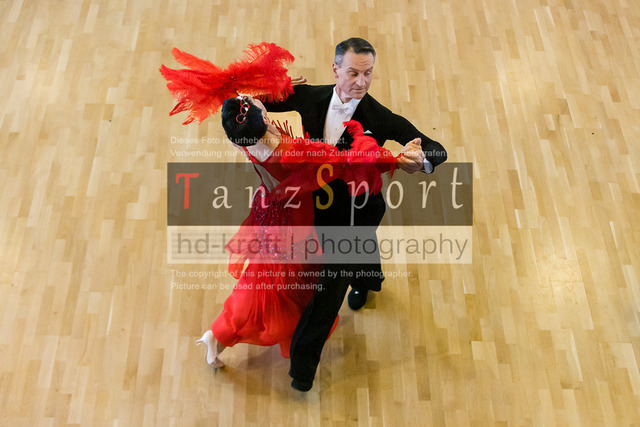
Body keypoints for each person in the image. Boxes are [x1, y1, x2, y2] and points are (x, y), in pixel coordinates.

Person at [262, 37, 447, 391]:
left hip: (359, 211)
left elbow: (437, 150)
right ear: (335, 70)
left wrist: (420, 160)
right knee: (360, 255)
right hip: (319, 205)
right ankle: (368, 281)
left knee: (328, 290)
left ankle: (302, 371)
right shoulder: (310, 96)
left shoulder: (379, 116)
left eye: (368, 73)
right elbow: (253, 103)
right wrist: (264, 93)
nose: (362, 82)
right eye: (353, 73)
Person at [194, 96, 420, 370]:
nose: (256, 97)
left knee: (264, 277)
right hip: (293, 220)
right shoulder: (291, 151)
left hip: (267, 209)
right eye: (254, 101)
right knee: (292, 287)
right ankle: (243, 334)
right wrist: (397, 160)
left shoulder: (240, 136)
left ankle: (220, 334)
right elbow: (346, 161)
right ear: (263, 118)